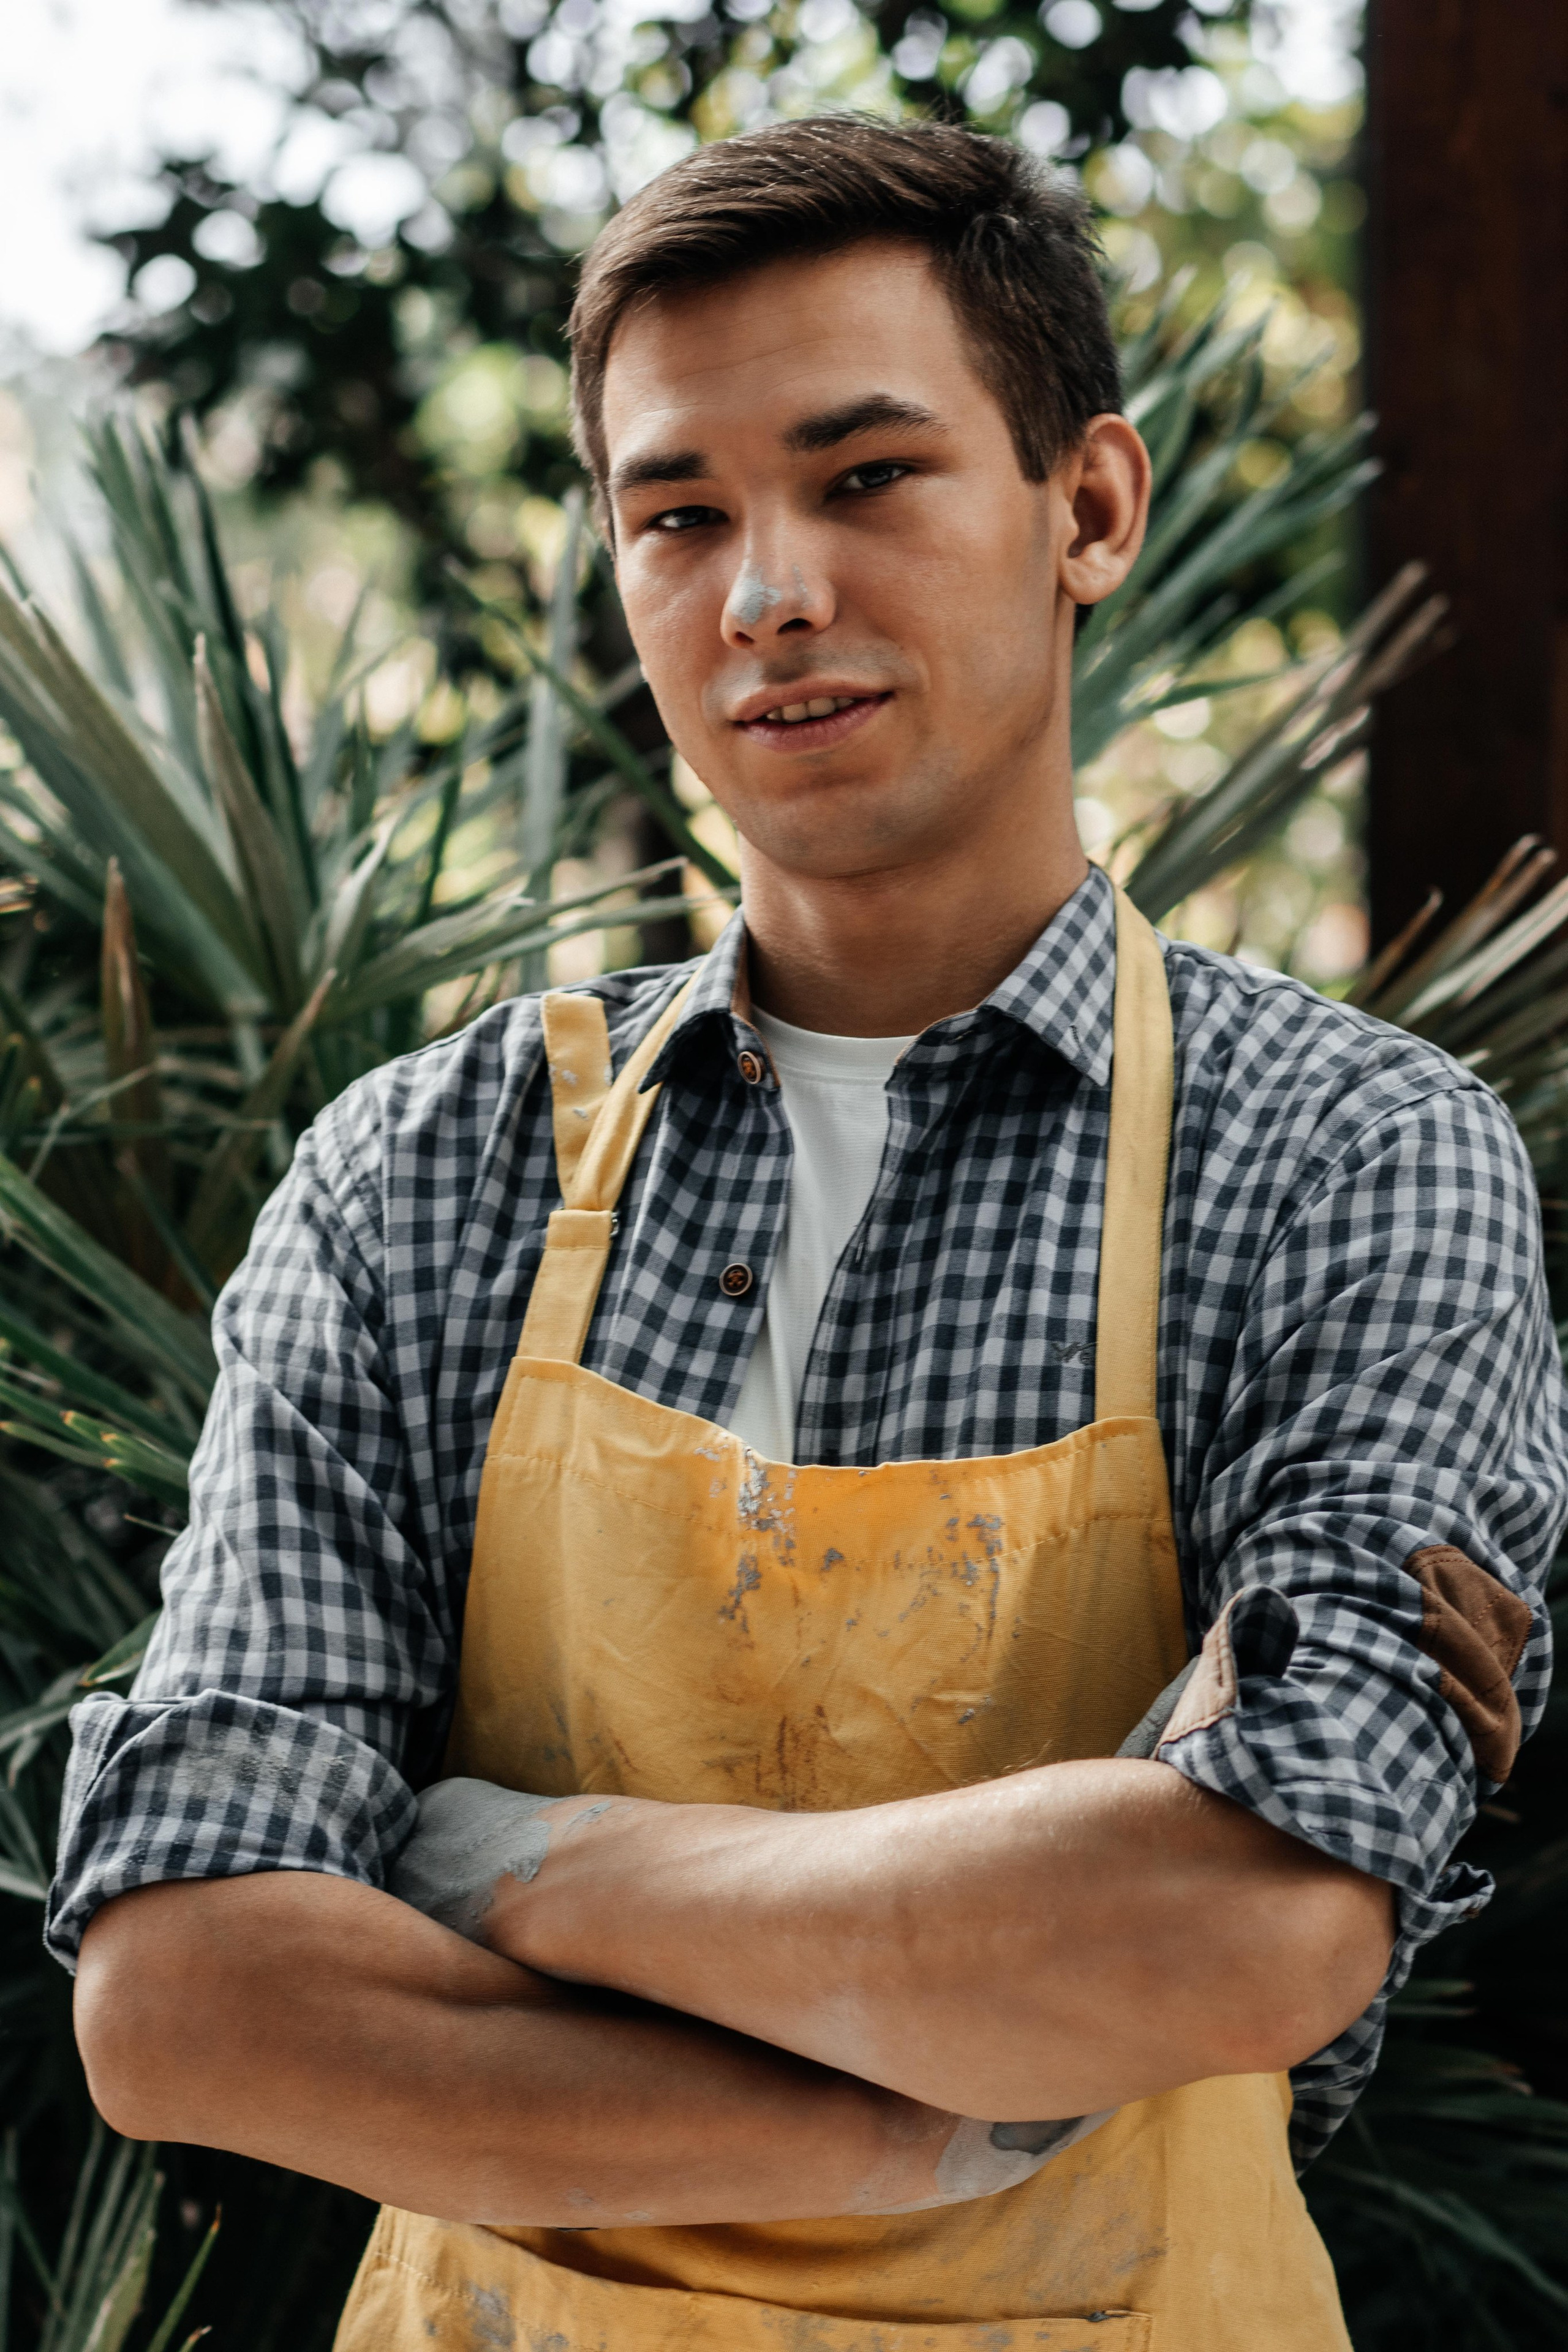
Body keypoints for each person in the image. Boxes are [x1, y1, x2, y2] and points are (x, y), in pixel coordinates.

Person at [48, 116, 1566, 2352]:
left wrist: (497, 1860)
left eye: (865, 478)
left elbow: (1240, 1929)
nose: (766, 591)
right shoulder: (426, 1176)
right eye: (680, 514)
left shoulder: (1347, 1159)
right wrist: (911, 2140)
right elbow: (188, 1994)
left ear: (1090, 508)